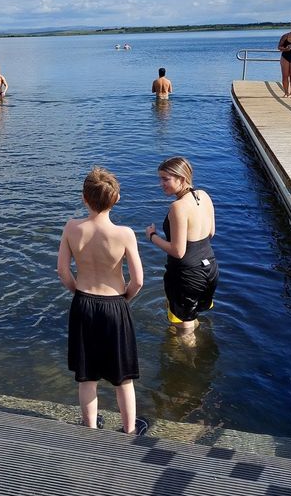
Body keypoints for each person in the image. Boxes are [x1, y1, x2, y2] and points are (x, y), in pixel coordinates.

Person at [57, 167, 146, 435]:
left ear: (84, 198)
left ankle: (90, 428)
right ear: (116, 198)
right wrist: (124, 300)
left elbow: (62, 271)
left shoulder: (72, 228)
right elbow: (138, 280)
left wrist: (77, 292)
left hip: (84, 303)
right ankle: (129, 430)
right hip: (115, 305)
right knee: (123, 378)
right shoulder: (125, 234)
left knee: (87, 376)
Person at [145, 157, 218, 344]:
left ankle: (189, 368)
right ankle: (196, 350)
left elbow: (178, 251)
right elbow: (211, 232)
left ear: (182, 179)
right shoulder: (203, 195)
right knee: (191, 319)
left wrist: (153, 237)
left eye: (165, 179)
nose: (161, 184)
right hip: (209, 269)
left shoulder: (177, 207)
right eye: (160, 179)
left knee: (184, 331)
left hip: (187, 276)